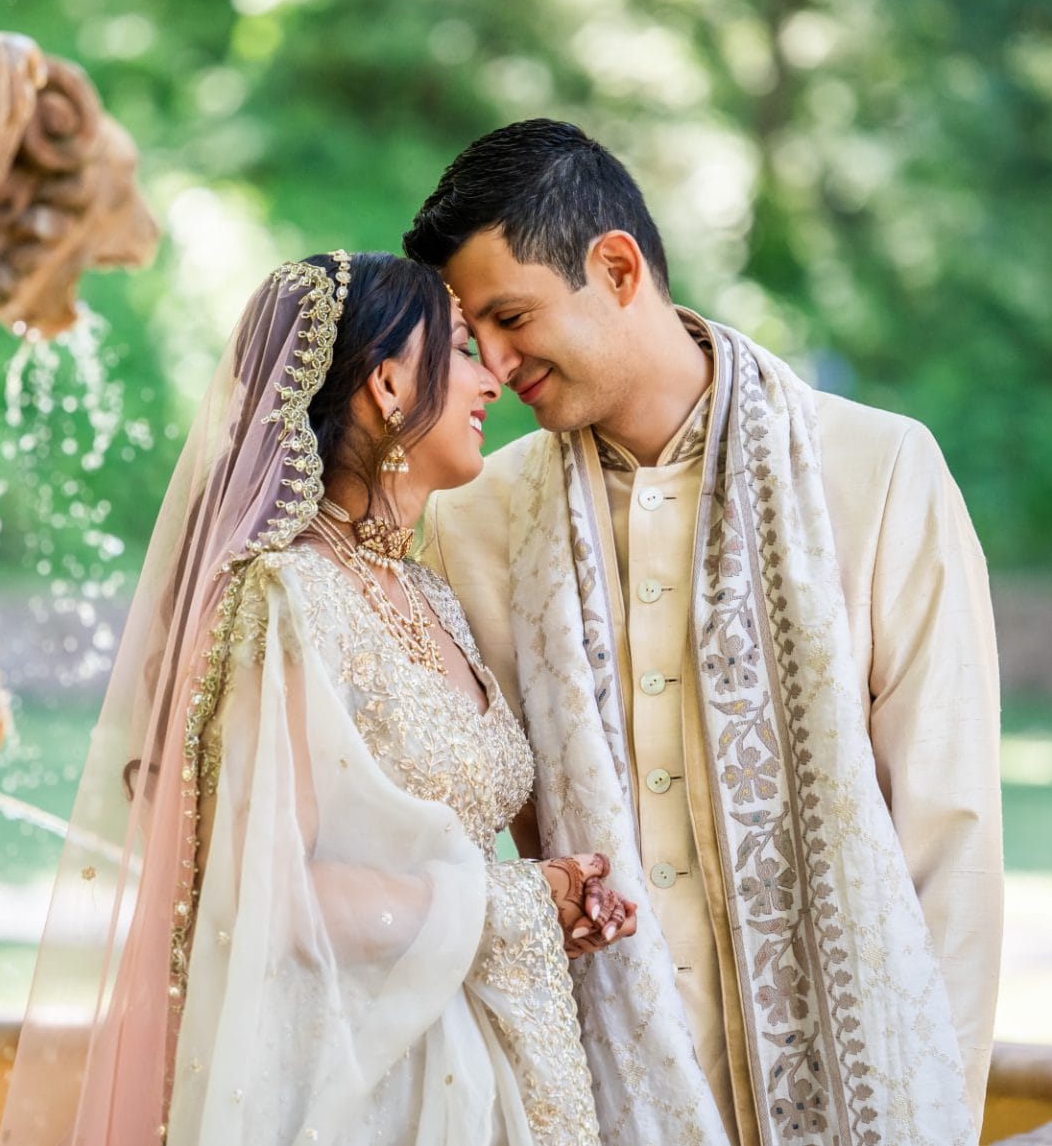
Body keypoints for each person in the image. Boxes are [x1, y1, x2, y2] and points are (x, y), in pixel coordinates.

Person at [406, 120, 1004, 1146]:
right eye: (474, 336)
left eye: (511, 317)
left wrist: (930, 1120)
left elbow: (949, 833)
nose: (493, 368)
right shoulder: (474, 523)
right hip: (592, 1096)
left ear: (619, 267)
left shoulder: (878, 472)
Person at [0, 250, 635, 1145]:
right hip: (364, 1089)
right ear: (385, 385)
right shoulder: (287, 598)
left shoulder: (427, 593)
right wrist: (519, 901)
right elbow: (276, 887)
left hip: (478, 1062)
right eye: (457, 349)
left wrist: (563, 898)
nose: (491, 375)